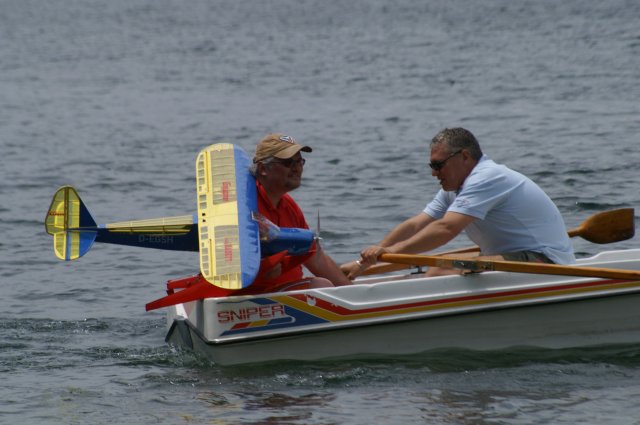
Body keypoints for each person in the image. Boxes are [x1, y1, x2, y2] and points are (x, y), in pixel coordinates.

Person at [343, 127, 575, 279]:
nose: (434, 173)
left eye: (438, 165)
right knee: (420, 269)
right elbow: (417, 225)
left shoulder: (487, 177)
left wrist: (390, 252)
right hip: (511, 259)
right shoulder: (455, 187)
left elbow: (446, 228)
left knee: (442, 266)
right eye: (431, 166)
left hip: (546, 262)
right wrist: (364, 264)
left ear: (464, 156)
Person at [251, 133, 352, 290]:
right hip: (257, 297)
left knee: (324, 284)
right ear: (263, 168)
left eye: (299, 161)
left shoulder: (289, 206)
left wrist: (351, 291)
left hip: (287, 295)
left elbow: (315, 256)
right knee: (320, 285)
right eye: (288, 162)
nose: (297, 167)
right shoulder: (246, 206)